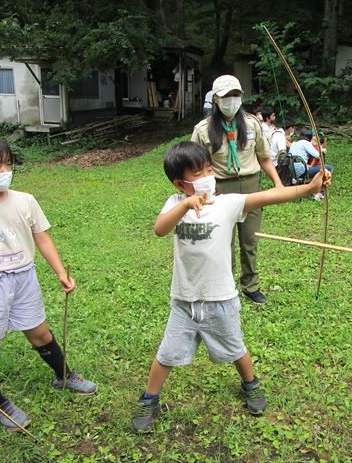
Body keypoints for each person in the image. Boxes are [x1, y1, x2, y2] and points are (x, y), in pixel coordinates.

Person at [131, 141, 332, 433]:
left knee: (236, 347)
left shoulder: (227, 203)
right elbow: (160, 228)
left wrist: (309, 188)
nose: (207, 175)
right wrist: (186, 205)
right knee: (167, 353)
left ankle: (251, 384)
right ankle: (149, 399)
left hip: (220, 298)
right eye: (199, 172)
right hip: (184, 301)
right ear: (180, 183)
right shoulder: (175, 204)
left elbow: (269, 196)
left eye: (209, 168)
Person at [0, 135, 96, 431]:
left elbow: (42, 237)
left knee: (40, 332)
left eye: (8, 164)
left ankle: (63, 375)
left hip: (24, 277)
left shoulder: (24, 200)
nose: (5, 171)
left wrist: (60, 272)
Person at [191, 75, 284, 305]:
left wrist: (278, 184)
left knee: (250, 240)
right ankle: (226, 285)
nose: (231, 100)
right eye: (225, 97)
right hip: (220, 188)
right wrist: (196, 195)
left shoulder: (252, 124)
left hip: (251, 187)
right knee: (223, 242)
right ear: (216, 100)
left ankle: (250, 285)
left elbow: (264, 157)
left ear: (241, 97)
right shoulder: (203, 130)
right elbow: (193, 164)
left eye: (235, 95)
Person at [289, 128, 333, 201]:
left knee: (317, 167)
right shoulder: (305, 143)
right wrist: (322, 150)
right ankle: (318, 192)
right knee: (328, 168)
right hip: (302, 171)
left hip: (292, 170)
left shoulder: (294, 143)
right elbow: (318, 155)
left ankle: (312, 188)